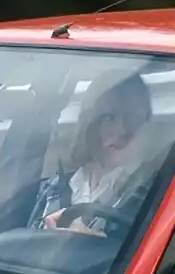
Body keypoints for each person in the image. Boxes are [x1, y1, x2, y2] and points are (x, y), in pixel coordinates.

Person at [29, 72, 156, 238]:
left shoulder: (151, 194)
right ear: (90, 123)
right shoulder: (57, 185)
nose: (122, 130)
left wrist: (91, 244)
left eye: (133, 118)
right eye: (109, 118)